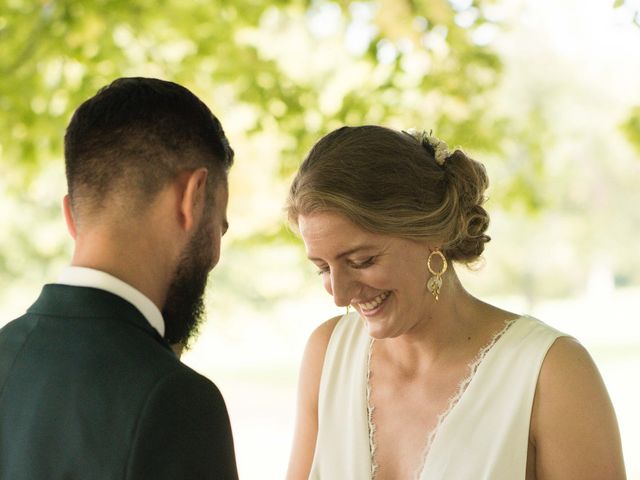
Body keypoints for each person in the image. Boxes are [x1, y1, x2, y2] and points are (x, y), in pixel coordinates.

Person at [285, 125, 626, 479]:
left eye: (362, 261)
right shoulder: (327, 355)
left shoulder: (552, 371)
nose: (340, 295)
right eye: (323, 268)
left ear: (432, 232)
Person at [0, 78, 239, 479]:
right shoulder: (176, 400)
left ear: (71, 216)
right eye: (220, 227)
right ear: (192, 199)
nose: (215, 255)